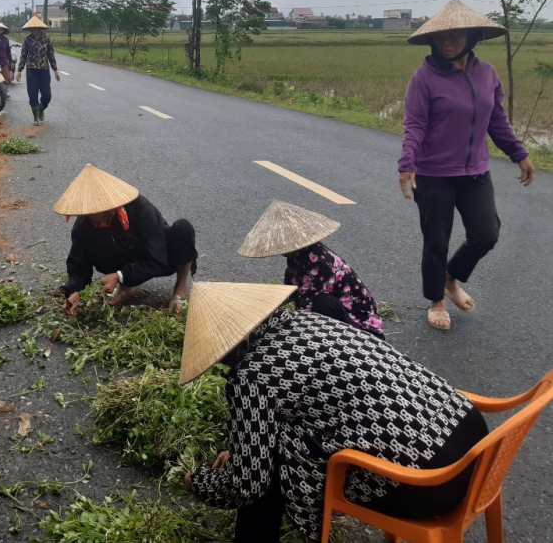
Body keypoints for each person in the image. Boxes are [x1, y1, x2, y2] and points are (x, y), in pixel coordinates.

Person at [181, 281, 489, 543]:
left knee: (272, 465)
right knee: (275, 442)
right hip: (477, 445)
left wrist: (200, 481)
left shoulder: (250, 374)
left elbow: (248, 483)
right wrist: (240, 452)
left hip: (430, 482)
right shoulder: (306, 320)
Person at [398, 0, 535, 331]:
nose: (447, 42)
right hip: (432, 175)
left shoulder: (486, 74)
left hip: (475, 172)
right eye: (441, 37)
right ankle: (437, 300)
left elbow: (497, 120)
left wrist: (520, 154)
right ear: (431, 40)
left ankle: (451, 277)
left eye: (456, 36)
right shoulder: (424, 78)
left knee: (486, 234)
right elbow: (414, 124)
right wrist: (407, 162)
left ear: (472, 37)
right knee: (436, 242)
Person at [54, 164, 198, 315]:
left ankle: (180, 289)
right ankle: (127, 286)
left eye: (101, 211)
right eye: (90, 213)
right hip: (123, 258)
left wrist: (120, 275)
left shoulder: (141, 208)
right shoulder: (82, 227)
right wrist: (75, 291)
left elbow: (157, 259)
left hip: (158, 257)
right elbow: (78, 266)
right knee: (92, 244)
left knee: (183, 228)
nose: (98, 217)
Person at [238, 200, 384, 338]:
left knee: (321, 302)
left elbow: (309, 306)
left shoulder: (319, 262)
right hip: (338, 315)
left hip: (360, 326)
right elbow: (291, 293)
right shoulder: (296, 259)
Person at [16, 14, 60, 126]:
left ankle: (41, 109)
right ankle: (36, 117)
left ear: (39, 28)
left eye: (35, 28)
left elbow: (51, 55)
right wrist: (19, 70)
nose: (34, 29)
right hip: (31, 70)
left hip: (44, 70)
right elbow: (23, 56)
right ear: (30, 28)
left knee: (46, 96)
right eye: (32, 28)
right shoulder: (27, 41)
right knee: (32, 94)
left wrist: (55, 70)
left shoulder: (46, 40)